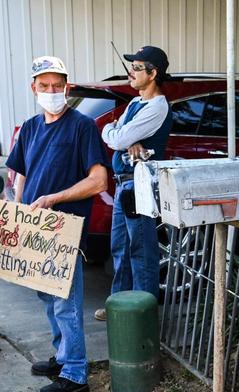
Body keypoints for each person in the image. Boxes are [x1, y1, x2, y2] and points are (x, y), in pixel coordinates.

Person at [6, 55, 108, 392]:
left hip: (64, 228)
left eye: (57, 86)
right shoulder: (31, 127)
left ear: (67, 86)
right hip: (36, 228)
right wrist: (19, 215)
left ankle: (75, 371)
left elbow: (98, 181)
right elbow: (22, 174)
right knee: (46, 295)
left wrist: (54, 198)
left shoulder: (82, 126)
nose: (51, 91)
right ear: (33, 88)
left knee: (66, 301)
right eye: (44, 86)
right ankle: (62, 354)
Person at [100, 45, 172, 304]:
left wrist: (116, 134)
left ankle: (144, 312)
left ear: (153, 73)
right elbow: (114, 132)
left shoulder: (157, 107)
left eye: (137, 68)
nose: (131, 72)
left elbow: (118, 138)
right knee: (120, 248)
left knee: (141, 252)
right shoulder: (135, 102)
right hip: (123, 185)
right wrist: (115, 132)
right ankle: (119, 306)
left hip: (139, 186)